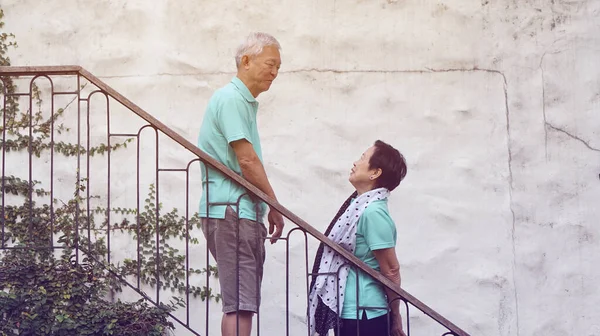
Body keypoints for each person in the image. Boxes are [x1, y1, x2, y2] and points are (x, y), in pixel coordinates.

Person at [197, 32, 285, 336]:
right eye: (270, 64)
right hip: (233, 211)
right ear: (246, 61)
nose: (274, 73)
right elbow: (247, 161)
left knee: (239, 303)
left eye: (278, 67)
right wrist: (274, 206)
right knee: (240, 304)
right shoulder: (232, 99)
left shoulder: (239, 102)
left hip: (232, 211)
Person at [308, 140, 408, 336]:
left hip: (367, 313)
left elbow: (391, 270)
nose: (355, 162)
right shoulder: (357, 206)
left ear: (375, 173)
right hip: (349, 310)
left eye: (363, 157)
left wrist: (395, 314)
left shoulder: (373, 213)